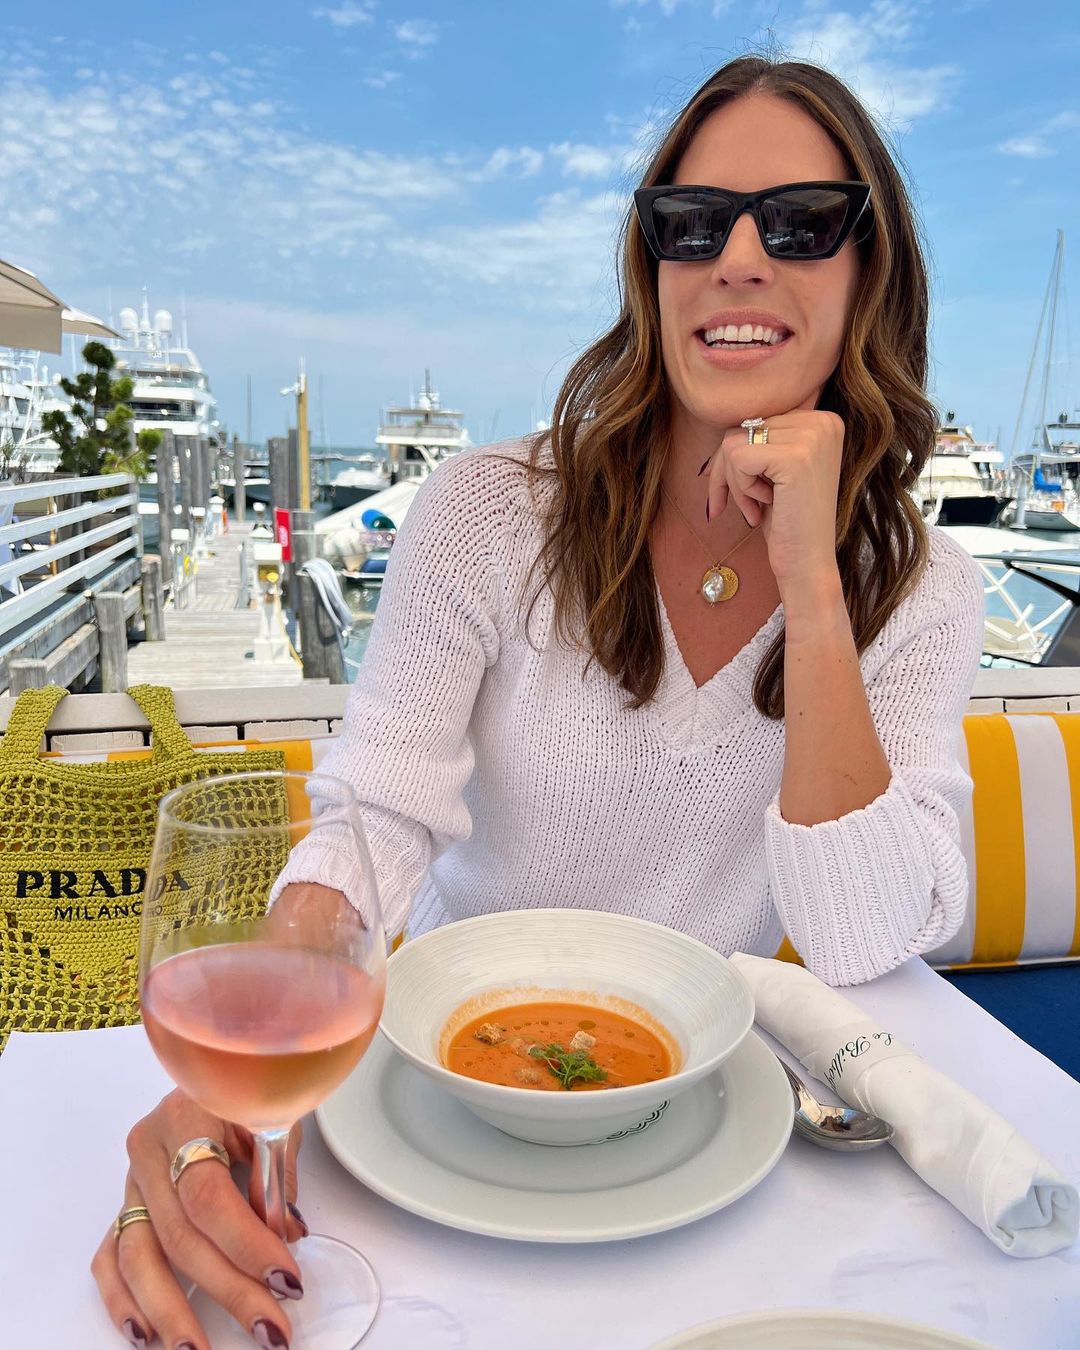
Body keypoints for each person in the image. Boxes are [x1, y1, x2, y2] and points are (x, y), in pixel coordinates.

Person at [93, 54, 983, 1349]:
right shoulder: (487, 514)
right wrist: (260, 1047)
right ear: (651, 268)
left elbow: (859, 935)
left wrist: (815, 582)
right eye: (692, 223)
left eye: (800, 222)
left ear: (870, 269)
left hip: (715, 1144)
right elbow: (377, 813)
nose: (737, 259)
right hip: (436, 1102)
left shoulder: (925, 588)